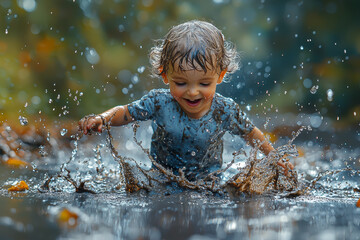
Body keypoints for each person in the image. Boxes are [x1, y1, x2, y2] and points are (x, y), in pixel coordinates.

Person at [78, 20, 294, 180]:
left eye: (204, 84)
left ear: (220, 75)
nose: (192, 92)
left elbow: (250, 134)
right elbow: (125, 113)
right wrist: (102, 118)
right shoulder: (159, 103)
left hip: (209, 184)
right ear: (164, 75)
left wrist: (275, 158)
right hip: (162, 179)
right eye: (181, 83)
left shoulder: (224, 110)